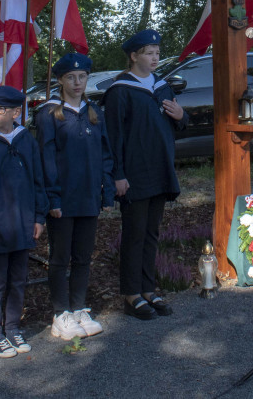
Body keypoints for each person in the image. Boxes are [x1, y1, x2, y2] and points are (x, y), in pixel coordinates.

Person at [102, 29, 187, 320]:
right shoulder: (120, 90)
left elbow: (175, 121)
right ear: (134, 56)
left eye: (157, 52)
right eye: (149, 53)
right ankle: (131, 294)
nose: (155, 57)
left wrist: (182, 116)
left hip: (160, 169)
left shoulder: (161, 86)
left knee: (152, 233)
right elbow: (113, 137)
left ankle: (148, 289)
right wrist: (118, 174)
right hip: (134, 174)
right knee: (134, 234)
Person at [36, 53, 114, 341]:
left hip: (89, 197)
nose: (78, 82)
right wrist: (52, 199)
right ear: (60, 80)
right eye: (71, 77)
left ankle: (79, 308)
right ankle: (61, 314)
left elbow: (105, 153)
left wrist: (105, 190)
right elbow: (46, 159)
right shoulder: (50, 114)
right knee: (60, 257)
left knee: (83, 256)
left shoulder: (94, 112)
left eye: (82, 77)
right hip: (63, 200)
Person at [0, 86, 48, 358]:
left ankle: (13, 327)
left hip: (23, 223)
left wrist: (39, 217)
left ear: (17, 112)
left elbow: (38, 181)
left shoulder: (26, 139)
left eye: (0, 109)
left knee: (18, 279)